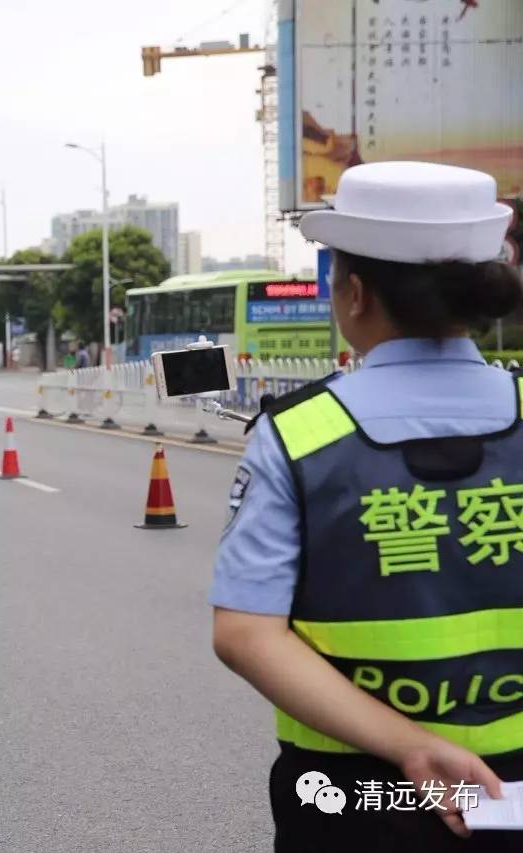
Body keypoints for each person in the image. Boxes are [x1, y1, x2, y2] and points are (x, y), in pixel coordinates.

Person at [210, 162, 523, 851]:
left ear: (352, 293)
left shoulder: (298, 435)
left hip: (350, 798)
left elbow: (245, 633)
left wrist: (411, 746)